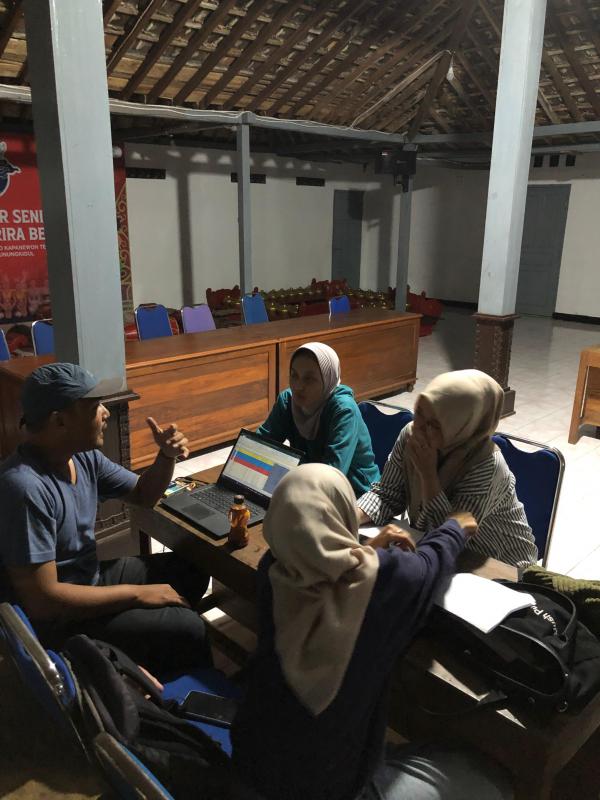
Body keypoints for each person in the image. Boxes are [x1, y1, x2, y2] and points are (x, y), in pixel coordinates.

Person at [231, 464, 513, 800]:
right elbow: (429, 564)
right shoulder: (382, 582)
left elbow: (326, 568)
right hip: (330, 789)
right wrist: (456, 526)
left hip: (251, 757)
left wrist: (364, 551)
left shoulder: (274, 567)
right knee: (492, 780)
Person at [0, 362, 212, 674]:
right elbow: (43, 602)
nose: (106, 413)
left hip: (88, 579)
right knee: (189, 627)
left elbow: (144, 495)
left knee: (192, 568)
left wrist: (166, 457)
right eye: (94, 406)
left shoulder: (82, 457)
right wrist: (138, 595)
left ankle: (157, 659)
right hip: (59, 621)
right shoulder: (23, 487)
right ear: (59, 421)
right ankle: (170, 681)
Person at [357, 370, 537, 568]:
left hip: (501, 564)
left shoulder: (487, 465)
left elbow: (449, 536)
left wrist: (428, 475)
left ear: (462, 426)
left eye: (434, 424)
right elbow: (387, 494)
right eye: (419, 412)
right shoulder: (411, 434)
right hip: (438, 552)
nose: (419, 426)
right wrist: (348, 518)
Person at [256, 341, 379, 496]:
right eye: (294, 375)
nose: (298, 386)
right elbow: (260, 443)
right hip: (308, 484)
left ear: (328, 379)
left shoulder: (343, 410)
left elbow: (332, 474)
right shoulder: (288, 400)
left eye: (309, 379)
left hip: (353, 493)